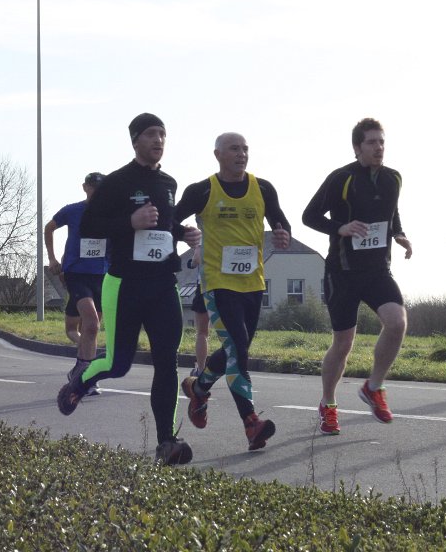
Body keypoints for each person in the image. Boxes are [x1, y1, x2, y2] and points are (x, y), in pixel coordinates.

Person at [58, 113, 201, 466]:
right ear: (135, 140)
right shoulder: (117, 182)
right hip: (124, 284)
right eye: (151, 134)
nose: (158, 140)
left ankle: (166, 441)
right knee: (118, 363)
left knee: (167, 363)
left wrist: (183, 233)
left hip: (163, 284)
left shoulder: (169, 182)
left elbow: (164, 224)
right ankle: (79, 383)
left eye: (162, 134)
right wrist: (129, 222)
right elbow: (90, 226)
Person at [175, 132, 291, 451]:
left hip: (253, 283)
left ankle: (199, 388)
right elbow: (171, 220)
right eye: (234, 149)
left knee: (234, 349)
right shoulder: (202, 191)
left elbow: (280, 221)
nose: (242, 154)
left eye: (245, 149)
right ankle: (251, 422)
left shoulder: (262, 188)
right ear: (218, 155)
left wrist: (282, 234)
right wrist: (183, 234)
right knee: (238, 349)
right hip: (218, 283)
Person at [303, 117, 413, 435]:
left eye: (382, 142)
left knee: (397, 323)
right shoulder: (342, 178)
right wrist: (340, 227)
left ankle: (373, 387)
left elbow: (391, 212)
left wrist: (399, 234)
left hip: (377, 270)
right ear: (357, 147)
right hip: (343, 273)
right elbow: (309, 215)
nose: (379, 147)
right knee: (343, 344)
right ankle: (328, 404)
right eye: (371, 142)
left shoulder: (393, 178)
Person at [45, 172, 107, 398]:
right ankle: (87, 376)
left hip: (103, 275)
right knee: (90, 323)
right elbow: (49, 227)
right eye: (94, 187)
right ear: (85, 187)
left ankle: (79, 371)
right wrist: (52, 259)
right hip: (76, 273)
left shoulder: (111, 212)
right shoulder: (72, 210)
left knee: (92, 327)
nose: (98, 192)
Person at [186, 244, 210, 376]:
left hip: (205, 286)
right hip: (228, 286)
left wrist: (192, 263)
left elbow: (196, 259)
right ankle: (234, 368)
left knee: (202, 332)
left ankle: (200, 370)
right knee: (230, 333)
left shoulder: (204, 236)